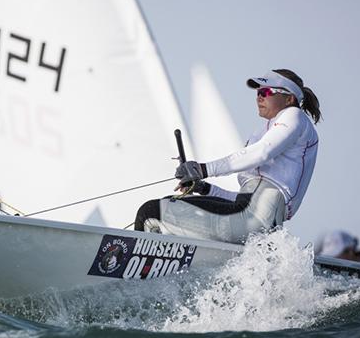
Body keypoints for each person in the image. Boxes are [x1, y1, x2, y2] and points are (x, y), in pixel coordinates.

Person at [134, 69, 321, 243]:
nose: (259, 97)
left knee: (151, 213)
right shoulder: (273, 127)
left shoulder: (294, 115)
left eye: (266, 92)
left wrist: (203, 169)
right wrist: (204, 188)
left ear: (289, 98)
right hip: (255, 223)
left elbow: (262, 152)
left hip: (251, 221)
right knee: (168, 205)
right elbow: (244, 203)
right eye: (258, 93)